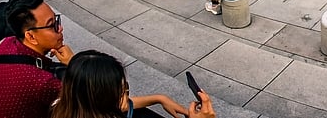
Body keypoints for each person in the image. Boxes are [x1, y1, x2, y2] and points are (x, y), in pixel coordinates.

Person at [0, 0, 75, 118]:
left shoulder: (9, 43)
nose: (60, 28)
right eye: (51, 25)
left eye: (56, 20)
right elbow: (92, 95)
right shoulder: (42, 82)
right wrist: (73, 62)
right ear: (31, 36)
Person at [51, 49, 213, 118]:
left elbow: (122, 105)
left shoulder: (64, 107)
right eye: (123, 91)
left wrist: (159, 98)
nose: (127, 96)